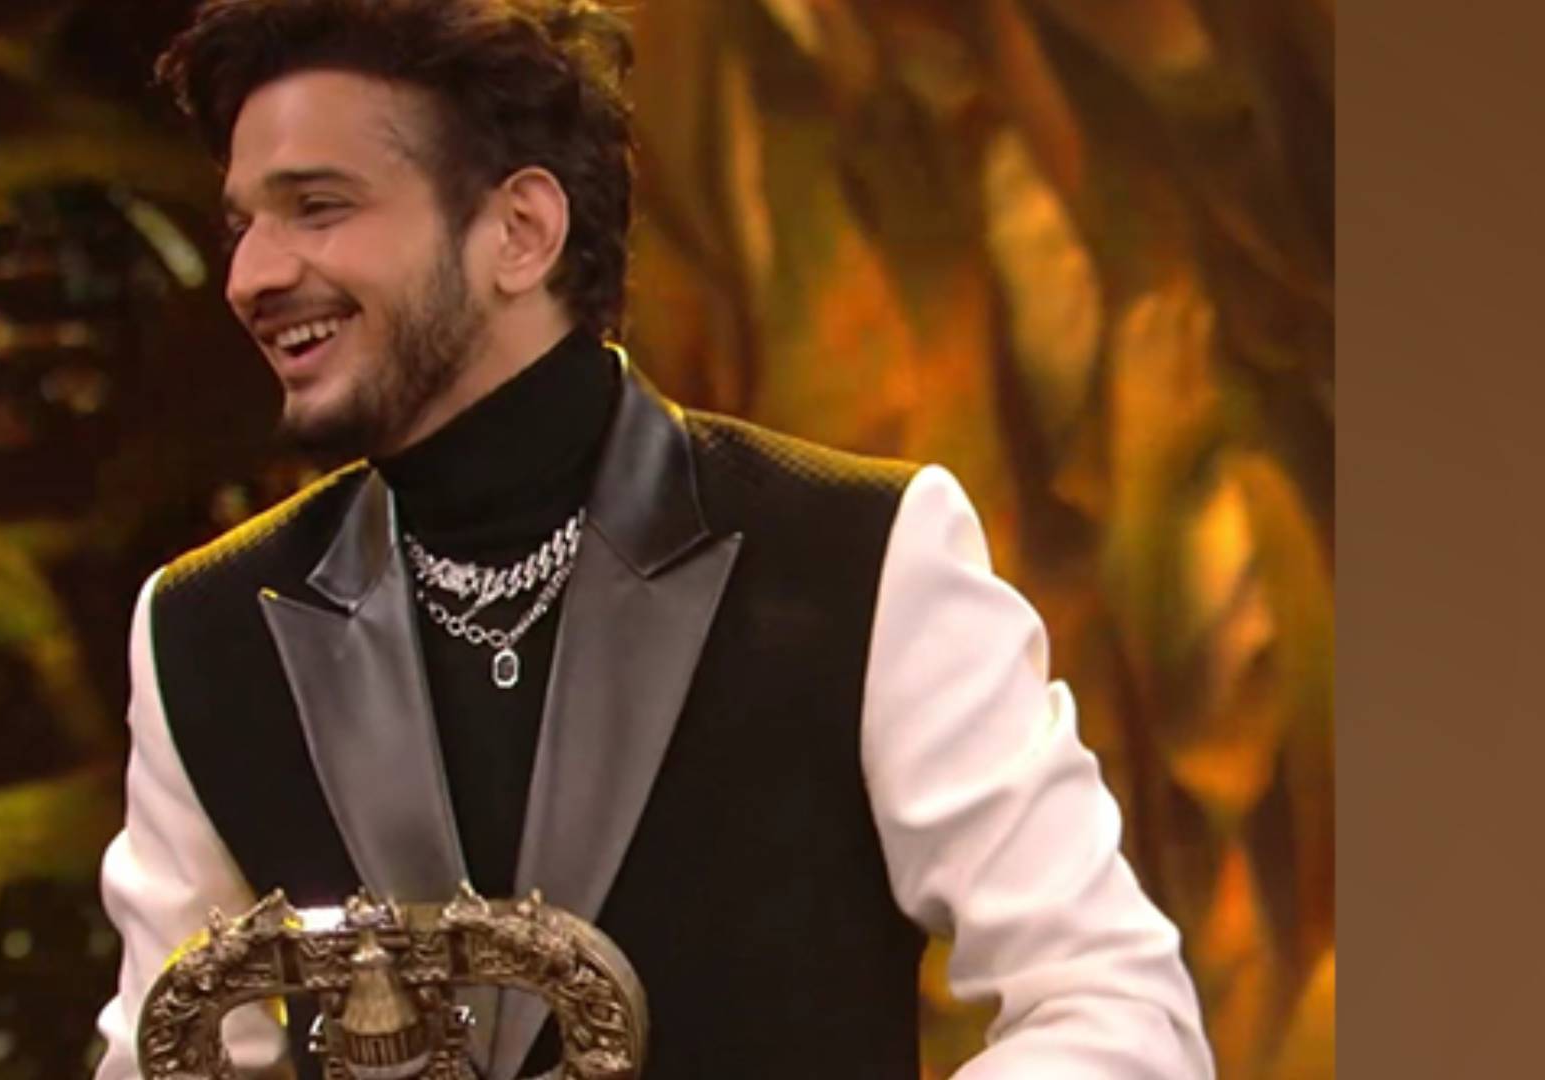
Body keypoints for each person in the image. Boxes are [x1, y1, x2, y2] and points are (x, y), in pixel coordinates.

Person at [93, 1, 1213, 1077]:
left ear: (520, 232)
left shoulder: (860, 555)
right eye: (243, 224)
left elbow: (1114, 1008)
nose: (251, 277)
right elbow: (167, 1058)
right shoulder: (201, 630)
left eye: (318, 206)